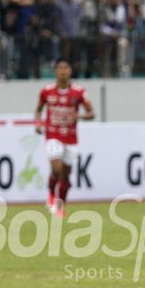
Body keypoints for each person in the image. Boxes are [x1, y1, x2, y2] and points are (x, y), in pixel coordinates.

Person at [34, 58, 95, 217]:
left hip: (71, 138)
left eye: (66, 68)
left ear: (70, 71)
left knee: (66, 175)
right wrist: (38, 123)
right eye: (60, 68)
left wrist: (80, 117)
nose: (63, 71)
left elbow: (92, 113)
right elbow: (38, 109)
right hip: (53, 135)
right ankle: (51, 195)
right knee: (56, 169)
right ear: (55, 71)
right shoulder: (46, 91)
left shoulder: (79, 92)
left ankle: (60, 205)